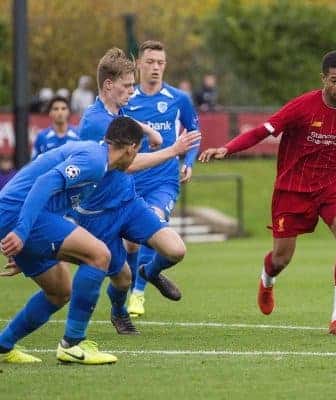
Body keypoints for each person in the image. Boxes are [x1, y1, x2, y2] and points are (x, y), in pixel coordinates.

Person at [200, 50, 336, 336]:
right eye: (335, 81)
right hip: (292, 188)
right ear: (323, 79)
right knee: (282, 259)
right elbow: (261, 131)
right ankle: (267, 279)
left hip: (331, 185)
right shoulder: (302, 107)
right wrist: (227, 148)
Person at [72, 47, 200, 340]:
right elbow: (127, 165)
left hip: (129, 204)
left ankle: (150, 272)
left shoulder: (116, 109)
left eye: (132, 85)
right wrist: (172, 150)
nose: (132, 91)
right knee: (121, 279)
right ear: (108, 85)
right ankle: (118, 312)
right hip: (99, 212)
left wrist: (149, 132)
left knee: (176, 250)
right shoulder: (95, 122)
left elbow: (127, 121)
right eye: (127, 86)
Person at [0, 117, 143, 365]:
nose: (135, 158)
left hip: (20, 215)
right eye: (138, 151)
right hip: (18, 214)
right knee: (100, 255)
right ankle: (72, 343)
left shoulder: (96, 157)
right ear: (131, 147)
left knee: (59, 291)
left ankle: (3, 345)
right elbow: (43, 183)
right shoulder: (95, 160)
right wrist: (22, 232)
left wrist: (31, 247)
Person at [124, 40, 201, 318]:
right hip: (130, 181)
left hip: (163, 182)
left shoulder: (178, 98)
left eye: (160, 63)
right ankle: (140, 278)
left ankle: (138, 292)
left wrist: (189, 163)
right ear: (138, 65)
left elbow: (194, 133)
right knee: (130, 244)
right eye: (150, 62)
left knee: (152, 225)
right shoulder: (127, 99)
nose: (155, 67)